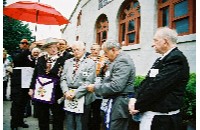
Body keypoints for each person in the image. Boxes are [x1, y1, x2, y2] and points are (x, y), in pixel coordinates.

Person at [128, 27, 190, 130]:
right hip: (153, 117)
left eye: (155, 40)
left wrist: (137, 105)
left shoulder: (176, 59)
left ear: (165, 42)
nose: (153, 44)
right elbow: (147, 82)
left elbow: (157, 88)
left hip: (162, 120)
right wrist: (134, 97)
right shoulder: (161, 59)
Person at [86, 39, 135, 130]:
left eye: (105, 52)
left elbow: (116, 86)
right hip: (113, 101)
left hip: (119, 103)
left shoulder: (123, 61)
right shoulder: (114, 60)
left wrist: (95, 88)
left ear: (113, 50)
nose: (104, 55)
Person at [28, 38, 65, 130]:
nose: (53, 49)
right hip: (42, 92)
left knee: (57, 117)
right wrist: (31, 88)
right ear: (46, 49)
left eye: (55, 46)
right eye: (50, 47)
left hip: (57, 92)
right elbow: (35, 74)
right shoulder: (41, 59)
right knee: (42, 116)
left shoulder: (63, 60)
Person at [60, 41, 96, 130]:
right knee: (69, 122)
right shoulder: (68, 62)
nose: (75, 52)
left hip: (83, 97)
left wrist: (75, 93)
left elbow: (88, 81)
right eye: (74, 50)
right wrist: (65, 91)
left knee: (81, 124)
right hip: (68, 96)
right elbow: (63, 78)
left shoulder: (90, 63)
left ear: (83, 50)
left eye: (78, 50)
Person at [10, 39, 33, 129]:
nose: (24, 44)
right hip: (18, 82)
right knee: (16, 103)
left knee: (24, 103)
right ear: (20, 44)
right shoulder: (15, 52)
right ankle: (14, 123)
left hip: (26, 81)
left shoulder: (29, 54)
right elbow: (17, 59)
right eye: (22, 43)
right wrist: (28, 50)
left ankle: (20, 121)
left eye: (26, 43)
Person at [87, 43, 108, 130]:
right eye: (93, 49)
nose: (95, 51)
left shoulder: (105, 60)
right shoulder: (86, 60)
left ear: (100, 50)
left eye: (97, 49)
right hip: (88, 88)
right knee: (87, 110)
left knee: (97, 110)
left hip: (98, 88)